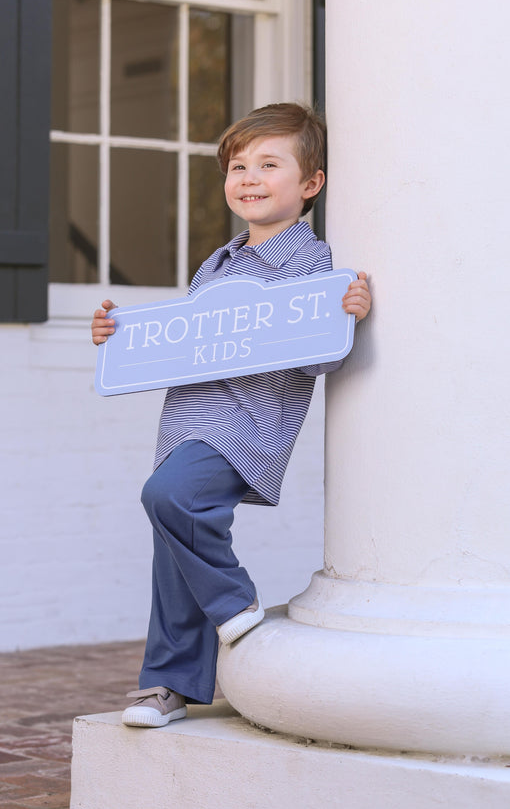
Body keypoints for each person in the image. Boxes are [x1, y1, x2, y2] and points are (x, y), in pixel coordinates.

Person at [91, 103, 371, 728]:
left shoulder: (315, 267)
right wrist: (120, 337)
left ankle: (234, 601)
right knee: (173, 543)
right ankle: (169, 684)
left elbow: (320, 361)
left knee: (167, 498)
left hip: (244, 428)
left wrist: (344, 312)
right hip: (187, 423)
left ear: (310, 184)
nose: (249, 176)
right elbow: (181, 345)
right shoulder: (216, 265)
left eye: (269, 164)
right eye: (238, 165)